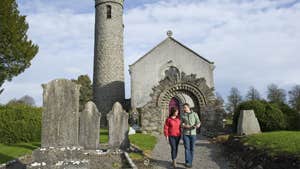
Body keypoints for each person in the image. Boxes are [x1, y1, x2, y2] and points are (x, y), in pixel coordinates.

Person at [181, 103, 201, 168]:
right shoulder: (183, 115)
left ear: (189, 107)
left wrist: (197, 125)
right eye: (183, 108)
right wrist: (183, 125)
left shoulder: (194, 114)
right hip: (185, 134)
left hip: (193, 134)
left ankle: (190, 162)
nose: (184, 109)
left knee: (192, 149)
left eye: (185, 107)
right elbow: (181, 124)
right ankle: (187, 162)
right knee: (187, 148)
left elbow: (198, 122)